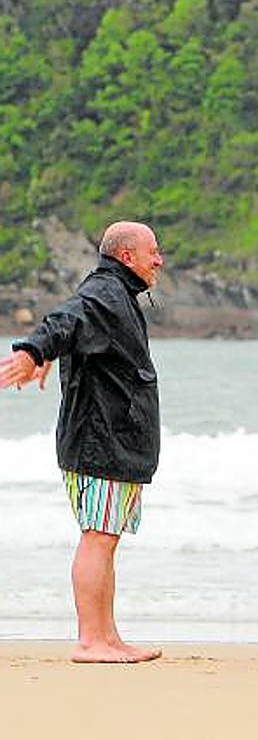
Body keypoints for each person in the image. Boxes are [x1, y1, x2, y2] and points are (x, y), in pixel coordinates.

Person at [0, 221, 164, 663]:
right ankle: (91, 640)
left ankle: (107, 637)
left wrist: (50, 353)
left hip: (115, 443)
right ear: (127, 256)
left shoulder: (118, 296)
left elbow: (75, 334)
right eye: (153, 251)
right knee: (97, 538)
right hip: (99, 443)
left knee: (104, 538)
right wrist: (34, 351)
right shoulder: (106, 294)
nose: (159, 259)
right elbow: (66, 320)